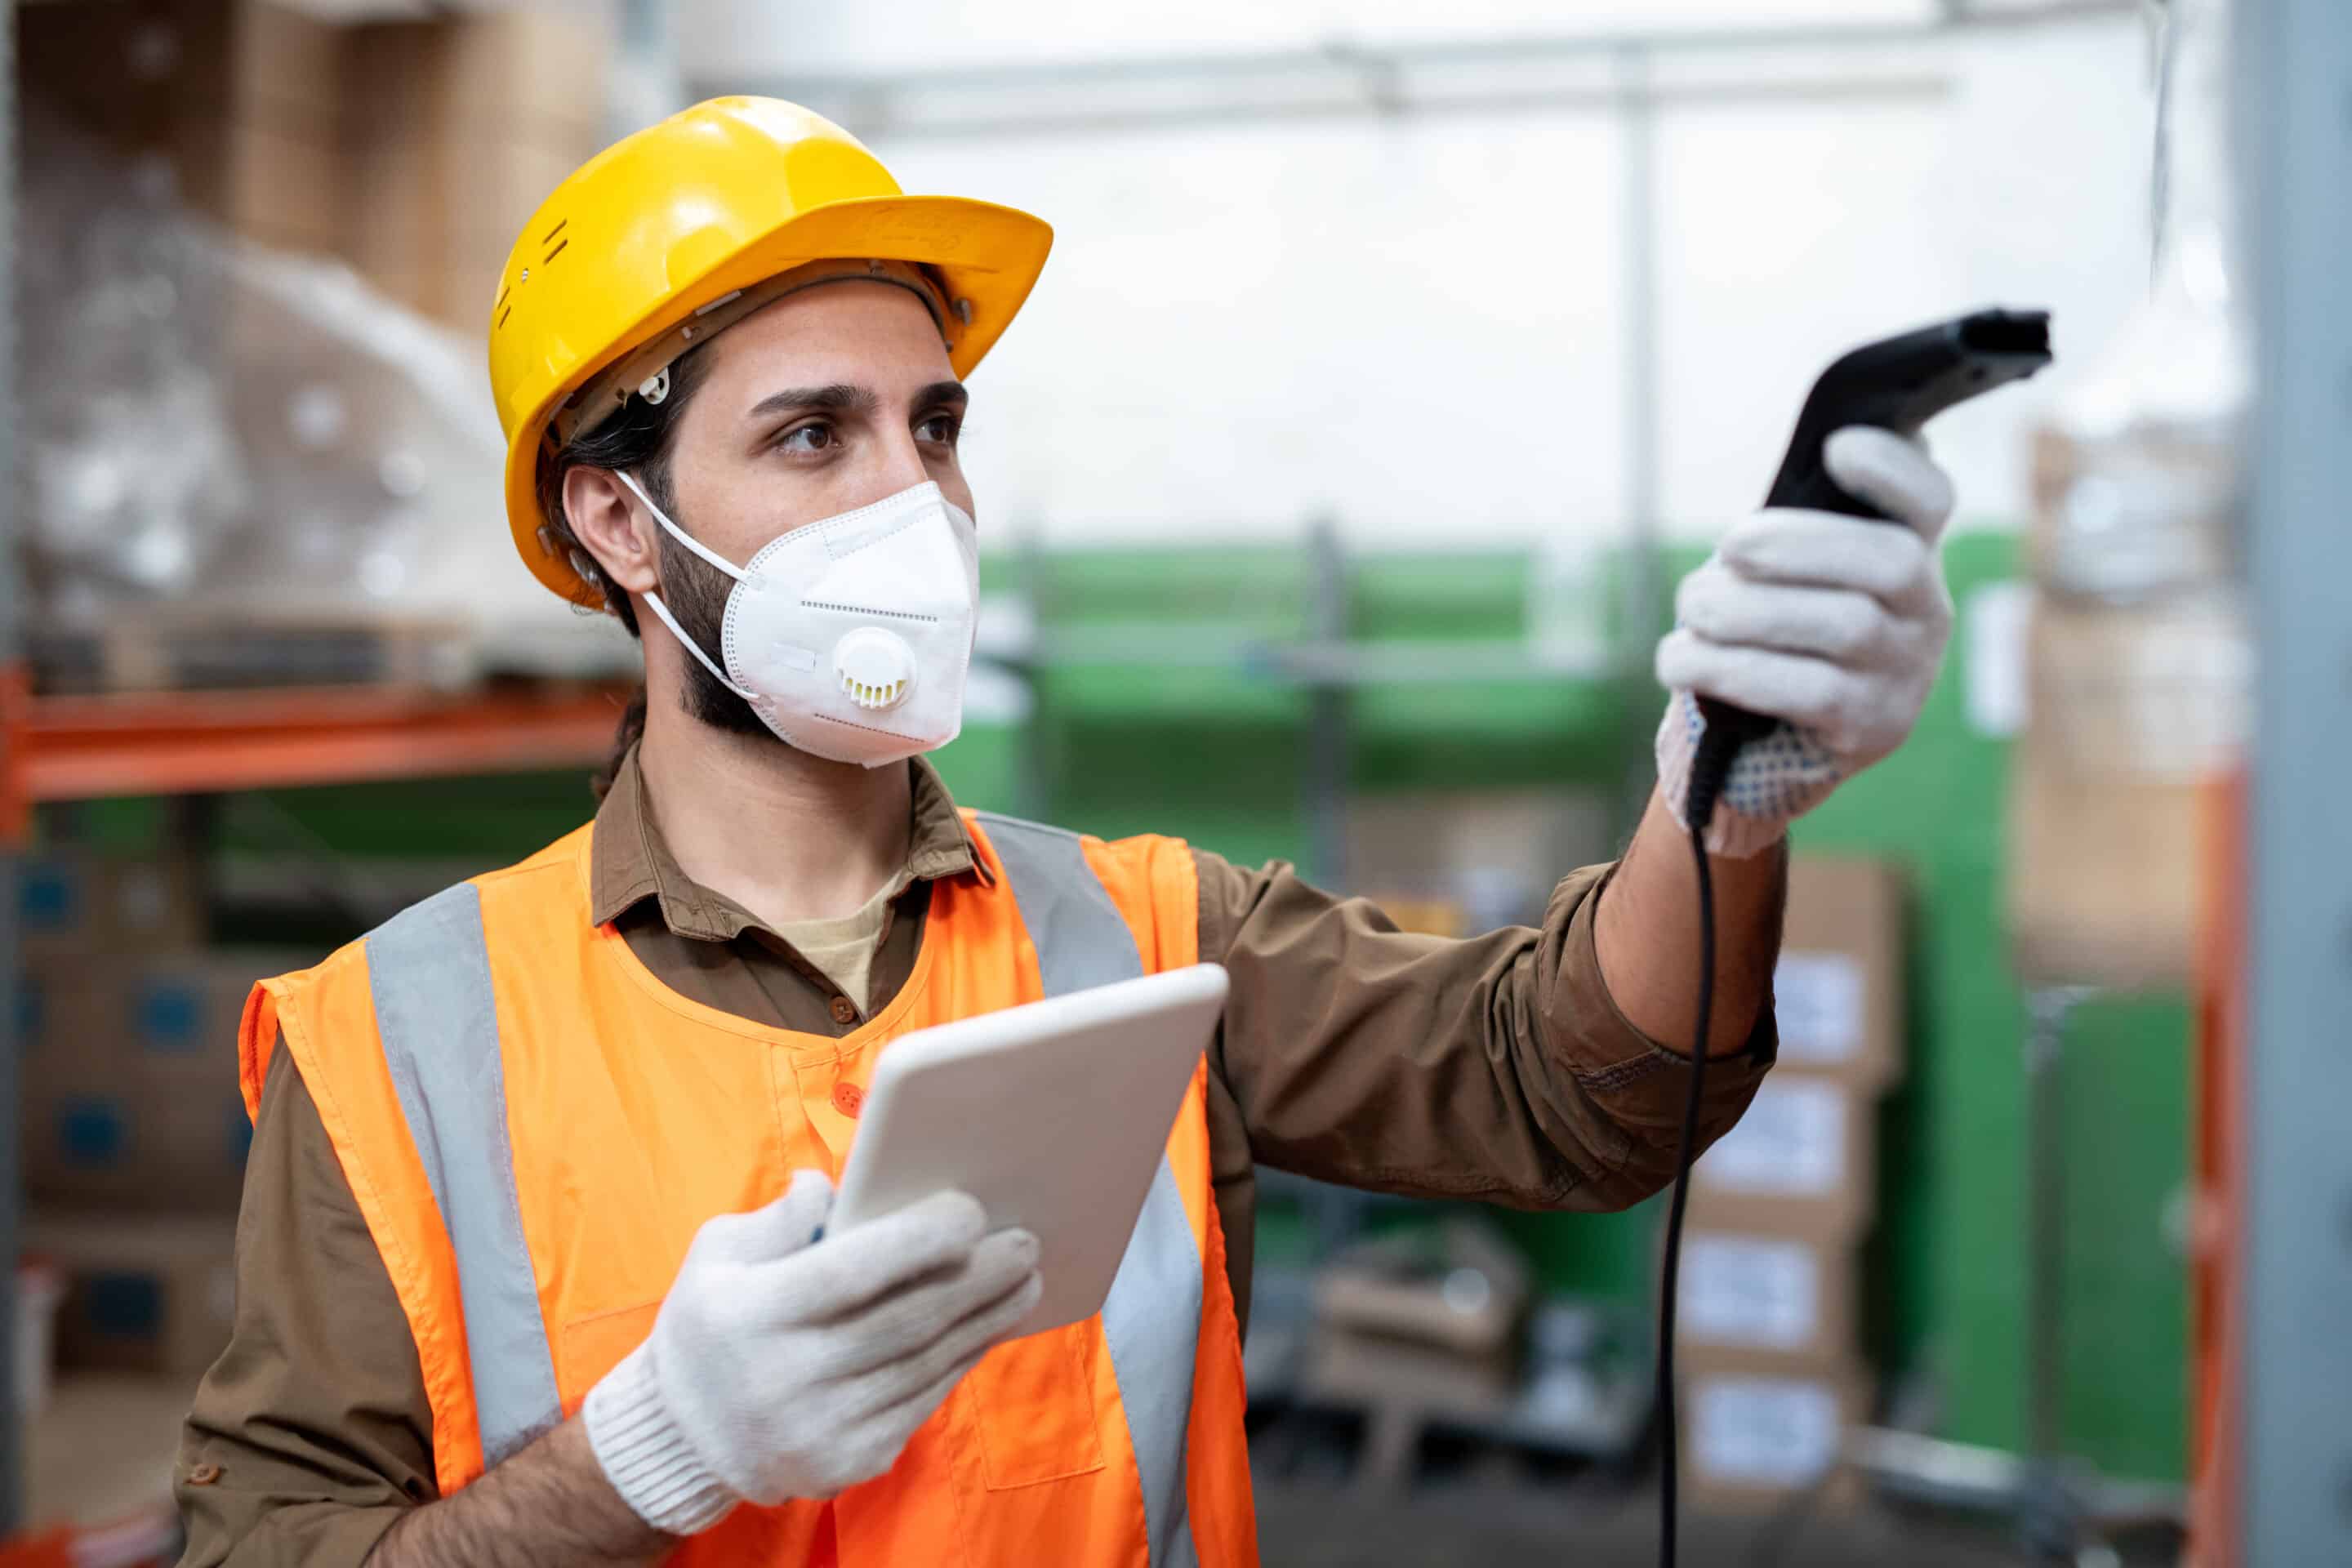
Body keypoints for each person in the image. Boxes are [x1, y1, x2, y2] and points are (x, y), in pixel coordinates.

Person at [174, 98, 1958, 1568]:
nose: (914, 505)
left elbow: (1576, 1082)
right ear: (621, 526)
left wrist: (1728, 789)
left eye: (932, 429)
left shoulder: (1145, 930)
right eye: (815, 437)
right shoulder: (394, 1044)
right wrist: (650, 1455)